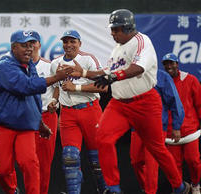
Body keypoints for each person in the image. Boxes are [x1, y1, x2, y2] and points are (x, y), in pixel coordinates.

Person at [70, 9, 190, 194]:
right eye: (112, 29)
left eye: (116, 29)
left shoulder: (142, 41)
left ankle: (179, 186)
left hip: (145, 103)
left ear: (128, 27)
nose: (112, 33)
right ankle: (113, 188)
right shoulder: (117, 49)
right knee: (102, 138)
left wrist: (114, 76)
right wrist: (85, 74)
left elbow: (138, 68)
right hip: (119, 105)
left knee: (157, 149)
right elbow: (107, 73)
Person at [0, 30, 72, 194]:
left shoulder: (29, 65)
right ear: (13, 47)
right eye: (24, 45)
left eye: (31, 45)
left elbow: (34, 97)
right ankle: (13, 191)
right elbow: (27, 87)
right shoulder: (5, 66)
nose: (29, 49)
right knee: (3, 170)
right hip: (1, 125)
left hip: (24, 125)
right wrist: (57, 77)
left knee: (30, 163)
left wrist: (39, 122)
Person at [50, 30, 109, 194]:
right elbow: (56, 87)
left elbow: (103, 86)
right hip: (68, 113)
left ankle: (105, 189)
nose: (69, 45)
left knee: (97, 158)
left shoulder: (87, 59)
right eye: (66, 41)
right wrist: (54, 101)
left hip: (90, 110)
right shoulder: (56, 63)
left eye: (72, 41)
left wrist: (75, 87)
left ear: (79, 43)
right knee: (69, 157)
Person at [130, 69, 185, 194]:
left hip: (157, 126)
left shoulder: (162, 76)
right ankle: (146, 188)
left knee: (152, 164)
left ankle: (151, 191)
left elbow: (174, 101)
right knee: (135, 161)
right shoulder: (131, 75)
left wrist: (176, 126)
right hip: (137, 126)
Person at [162, 53, 201, 194]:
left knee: (193, 161)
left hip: (190, 130)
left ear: (177, 64)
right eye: (166, 64)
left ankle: (196, 185)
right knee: (173, 165)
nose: (169, 67)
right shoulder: (161, 83)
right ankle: (179, 189)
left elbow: (199, 104)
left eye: (171, 63)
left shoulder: (190, 80)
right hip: (170, 132)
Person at [28, 30, 59, 194]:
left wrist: (54, 101)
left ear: (39, 44)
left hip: (46, 115)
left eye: (33, 42)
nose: (30, 46)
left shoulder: (49, 65)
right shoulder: (18, 66)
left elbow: (57, 89)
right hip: (25, 118)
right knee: (27, 161)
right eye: (27, 43)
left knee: (44, 163)